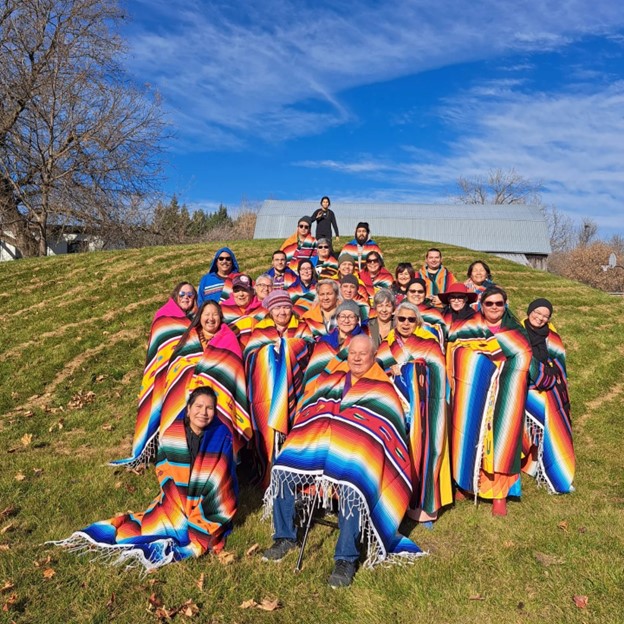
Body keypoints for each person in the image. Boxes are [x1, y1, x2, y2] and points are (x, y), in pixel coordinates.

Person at [262, 335, 424, 587]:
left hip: (355, 458)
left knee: (353, 486)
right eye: (352, 353)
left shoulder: (382, 390)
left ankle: (346, 558)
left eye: (363, 354)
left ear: (373, 358)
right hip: (318, 450)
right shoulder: (333, 380)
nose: (357, 358)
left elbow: (382, 433)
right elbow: (313, 410)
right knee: (283, 468)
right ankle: (285, 537)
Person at [55, 387, 238, 570]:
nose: (203, 412)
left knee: (195, 530)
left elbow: (222, 480)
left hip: (208, 501)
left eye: (209, 408)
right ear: (188, 409)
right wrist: (180, 501)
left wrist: (198, 503)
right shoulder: (171, 434)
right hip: (175, 500)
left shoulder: (222, 437)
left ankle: (198, 521)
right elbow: (165, 471)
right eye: (198, 406)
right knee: (159, 526)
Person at [111, 300, 251, 467]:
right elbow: (177, 364)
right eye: (207, 314)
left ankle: (217, 463)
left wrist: (206, 376)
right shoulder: (190, 337)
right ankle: (178, 460)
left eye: (215, 314)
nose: (211, 318)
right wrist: (193, 374)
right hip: (186, 394)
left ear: (221, 317)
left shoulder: (228, 339)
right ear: (200, 317)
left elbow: (231, 370)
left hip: (219, 398)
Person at [446, 286, 532, 516]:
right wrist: (478, 364)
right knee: (468, 435)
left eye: (499, 304)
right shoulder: (467, 326)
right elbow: (454, 353)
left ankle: (499, 494)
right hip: (472, 394)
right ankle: (466, 485)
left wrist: (493, 365)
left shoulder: (515, 331)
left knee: (499, 441)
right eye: (489, 304)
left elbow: (522, 359)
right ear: (481, 305)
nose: (494, 308)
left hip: (503, 395)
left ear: (505, 305)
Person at [376, 302, 451, 524]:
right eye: (401, 319)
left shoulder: (428, 343)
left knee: (427, 449)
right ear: (395, 320)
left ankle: (425, 501)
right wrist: (392, 369)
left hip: (425, 410)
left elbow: (437, 370)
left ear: (417, 321)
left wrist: (410, 367)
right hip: (398, 408)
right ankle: (399, 496)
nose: (406, 323)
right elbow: (378, 369)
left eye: (411, 319)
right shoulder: (388, 343)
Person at [244, 289, 312, 486]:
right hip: (267, 394)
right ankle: (267, 469)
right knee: (266, 430)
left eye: (286, 307)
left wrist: (287, 347)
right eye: (278, 308)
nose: (282, 312)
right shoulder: (261, 329)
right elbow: (249, 355)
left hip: (295, 392)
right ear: (270, 311)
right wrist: (268, 352)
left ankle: (293, 474)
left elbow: (308, 349)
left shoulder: (301, 327)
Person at [521, 299, 575, 494]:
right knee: (529, 423)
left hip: (549, 387)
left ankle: (547, 465)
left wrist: (549, 378)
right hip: (523, 387)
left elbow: (559, 364)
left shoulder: (552, 336)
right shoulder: (518, 332)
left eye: (545, 315)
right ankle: (528, 462)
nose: (540, 317)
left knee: (553, 421)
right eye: (537, 312)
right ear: (529, 311)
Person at [301, 300, 365, 388]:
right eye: (342, 316)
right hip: (322, 386)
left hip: (349, 387)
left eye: (351, 317)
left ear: (357, 319)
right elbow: (316, 366)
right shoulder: (325, 340)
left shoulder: (363, 341)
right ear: (337, 319)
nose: (346, 320)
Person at [221, 274, 263, 349]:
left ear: (251, 291)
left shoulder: (262, 310)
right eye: (237, 291)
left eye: (244, 290)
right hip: (230, 352)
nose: (241, 294)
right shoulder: (223, 310)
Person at [405, 278, 446, 346]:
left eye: (420, 291)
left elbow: (441, 338)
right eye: (412, 291)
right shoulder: (399, 313)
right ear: (407, 293)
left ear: (425, 294)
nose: (416, 294)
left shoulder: (434, 314)